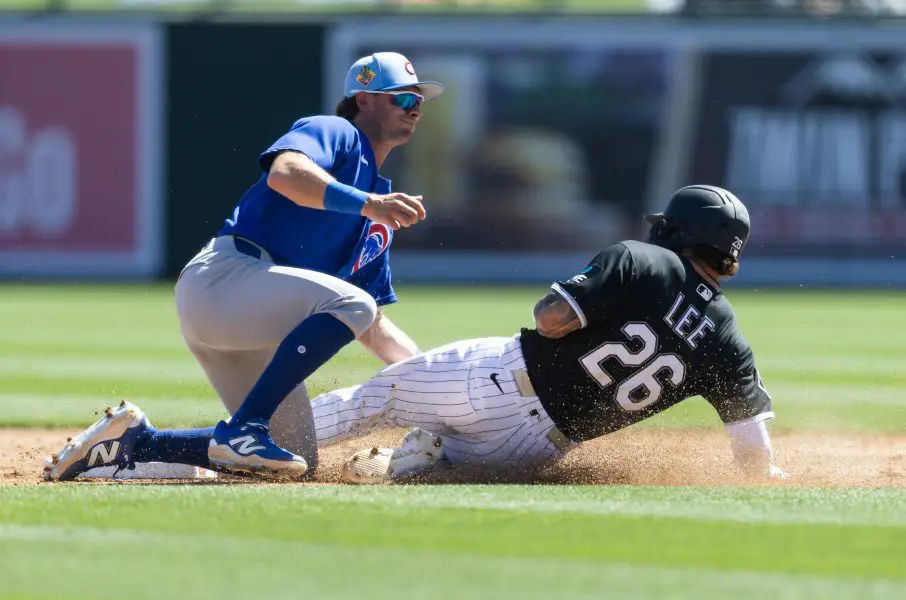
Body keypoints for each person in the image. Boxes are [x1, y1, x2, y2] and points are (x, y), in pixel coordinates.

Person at [43, 185, 789, 484]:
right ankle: (420, 456)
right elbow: (752, 457)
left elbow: (550, 319)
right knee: (416, 467)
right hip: (529, 451)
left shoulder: (645, 259)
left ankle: (135, 446)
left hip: (492, 378)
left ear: (678, 232)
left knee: (307, 431)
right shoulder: (727, 342)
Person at [169, 52, 443, 479]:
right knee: (352, 303)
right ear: (365, 99)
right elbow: (285, 173)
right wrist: (370, 204)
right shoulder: (336, 132)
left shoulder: (378, 205)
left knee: (293, 459)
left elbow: (370, 323)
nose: (415, 110)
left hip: (251, 322)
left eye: (418, 103)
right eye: (402, 99)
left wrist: (438, 384)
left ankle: (132, 444)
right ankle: (245, 425)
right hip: (223, 280)